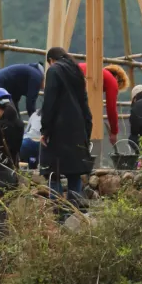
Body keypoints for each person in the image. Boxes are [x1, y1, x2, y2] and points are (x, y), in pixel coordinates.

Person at [41, 47, 93, 203]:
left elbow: (49, 102)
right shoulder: (76, 71)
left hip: (59, 129)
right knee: (74, 172)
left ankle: (58, 211)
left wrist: (45, 129)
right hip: (78, 128)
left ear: (51, 60)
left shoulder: (54, 71)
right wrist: (87, 129)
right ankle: (74, 212)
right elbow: (84, 103)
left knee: (54, 172)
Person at [78, 62, 130, 147]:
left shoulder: (99, 74)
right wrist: (114, 132)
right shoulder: (112, 80)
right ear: (117, 78)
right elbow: (111, 109)